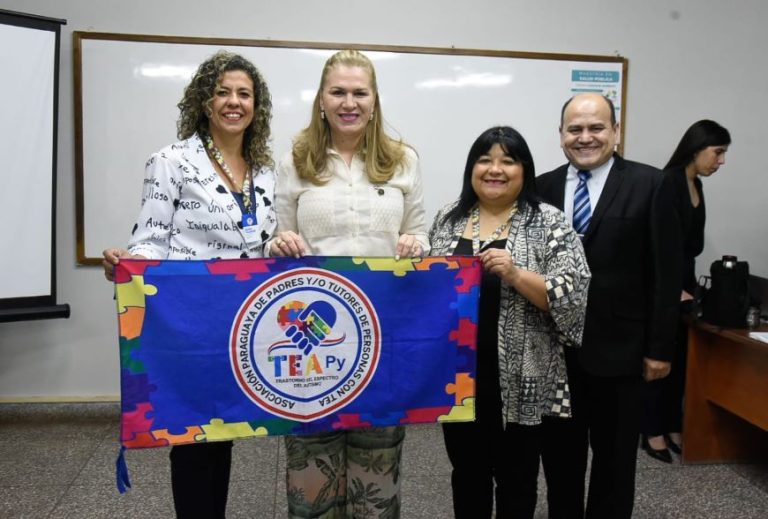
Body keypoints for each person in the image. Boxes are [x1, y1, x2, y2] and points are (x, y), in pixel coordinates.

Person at [102, 51, 276, 518]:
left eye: (244, 94)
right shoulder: (171, 161)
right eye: (223, 92)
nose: (234, 102)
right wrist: (127, 263)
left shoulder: (266, 171)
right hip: (191, 325)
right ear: (204, 101)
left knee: (224, 436)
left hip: (245, 326)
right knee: (196, 441)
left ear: (256, 106)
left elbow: (266, 239)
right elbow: (151, 239)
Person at [269, 49, 428, 518]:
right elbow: (277, 237)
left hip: (381, 334)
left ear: (375, 100)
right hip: (312, 341)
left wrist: (416, 243)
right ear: (321, 99)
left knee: (376, 474)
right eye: (338, 92)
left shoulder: (403, 161)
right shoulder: (295, 160)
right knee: (311, 475)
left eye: (360, 92)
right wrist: (280, 243)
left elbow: (419, 231)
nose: (349, 102)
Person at [428, 126, 590, 518]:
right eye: (485, 159)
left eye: (507, 160)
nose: (494, 169)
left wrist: (517, 275)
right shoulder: (448, 220)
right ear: (472, 168)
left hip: (524, 378)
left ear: (524, 170)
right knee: (467, 475)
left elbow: (572, 295)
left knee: (517, 480)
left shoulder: (549, 222)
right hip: (461, 379)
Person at [537, 93, 681, 519]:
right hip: (553, 353)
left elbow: (666, 275)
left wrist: (660, 349)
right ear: (560, 135)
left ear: (616, 132)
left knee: (615, 461)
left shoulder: (651, 185)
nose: (585, 137)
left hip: (622, 352)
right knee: (559, 459)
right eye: (574, 129)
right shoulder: (540, 187)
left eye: (596, 128)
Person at [641, 120, 731, 463]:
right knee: (658, 357)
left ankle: (671, 423)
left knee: (679, 360)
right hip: (666, 285)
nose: (720, 161)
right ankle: (651, 431)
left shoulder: (697, 185)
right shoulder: (669, 182)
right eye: (717, 152)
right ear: (697, 148)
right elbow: (660, 247)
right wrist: (673, 289)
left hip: (685, 283)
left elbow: (692, 245)